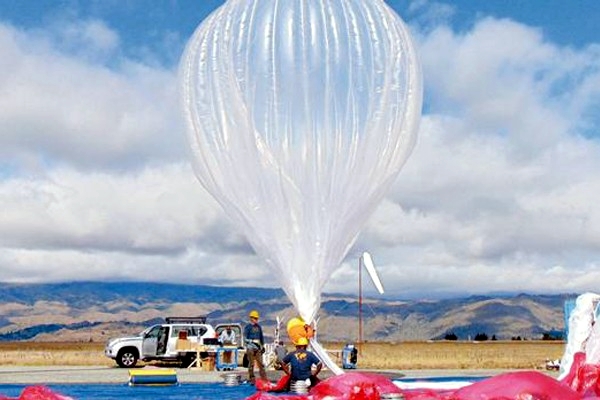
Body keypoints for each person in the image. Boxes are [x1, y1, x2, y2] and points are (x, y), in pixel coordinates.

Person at [244, 310, 267, 382]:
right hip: (250, 347)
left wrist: (262, 346)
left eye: (257, 318)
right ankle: (252, 378)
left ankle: (264, 379)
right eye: (255, 318)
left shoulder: (259, 327)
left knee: (260, 364)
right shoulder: (248, 327)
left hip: (258, 348)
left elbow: (261, 337)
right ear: (251, 318)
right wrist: (252, 341)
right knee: (251, 364)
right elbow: (245, 339)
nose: (256, 320)